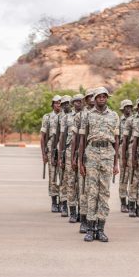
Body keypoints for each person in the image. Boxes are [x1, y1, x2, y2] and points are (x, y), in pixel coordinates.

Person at [79, 87, 119, 242]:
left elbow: (117, 140)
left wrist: (116, 163)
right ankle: (90, 228)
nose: (102, 99)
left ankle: (100, 229)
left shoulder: (114, 116)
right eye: (99, 97)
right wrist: (81, 161)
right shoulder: (87, 115)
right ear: (94, 99)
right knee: (91, 192)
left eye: (104, 96)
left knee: (104, 193)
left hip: (108, 154)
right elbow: (82, 139)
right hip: (92, 153)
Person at [72, 89, 95, 233]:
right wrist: (75, 158)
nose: (93, 99)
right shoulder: (81, 116)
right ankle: (84, 219)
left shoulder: (109, 115)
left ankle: (96, 221)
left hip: (101, 157)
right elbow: (76, 139)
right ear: (86, 99)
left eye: (95, 96)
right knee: (84, 190)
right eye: (90, 97)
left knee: (97, 191)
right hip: (85, 156)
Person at [59, 94, 83, 223]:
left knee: (82, 183)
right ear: (73, 103)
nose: (78, 103)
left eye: (80, 101)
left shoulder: (87, 116)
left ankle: (81, 211)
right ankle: (72, 210)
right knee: (71, 181)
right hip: (69, 150)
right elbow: (62, 137)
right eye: (76, 101)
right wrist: (61, 154)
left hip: (83, 152)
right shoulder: (67, 118)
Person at [122, 98, 139, 217]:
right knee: (133, 179)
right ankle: (131, 205)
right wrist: (125, 156)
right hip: (133, 150)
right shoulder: (131, 120)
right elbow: (125, 139)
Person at [40, 95, 63, 212]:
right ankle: (54, 201)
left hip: (63, 149)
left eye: (60, 103)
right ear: (52, 104)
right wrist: (44, 154)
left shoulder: (66, 116)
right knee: (53, 176)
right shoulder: (47, 117)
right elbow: (43, 137)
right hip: (51, 148)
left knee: (64, 176)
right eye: (56, 103)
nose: (58, 105)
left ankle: (63, 201)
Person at [57, 95, 72, 217]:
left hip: (73, 150)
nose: (66, 105)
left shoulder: (76, 116)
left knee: (72, 180)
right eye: (64, 104)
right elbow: (60, 137)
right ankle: (63, 203)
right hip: (64, 149)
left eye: (68, 103)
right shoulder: (62, 118)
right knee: (64, 178)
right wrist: (59, 154)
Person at [118, 99, 133, 213]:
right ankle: (123, 203)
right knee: (124, 177)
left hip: (133, 151)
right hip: (122, 150)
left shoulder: (135, 120)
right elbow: (116, 138)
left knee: (133, 177)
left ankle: (133, 202)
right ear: (122, 109)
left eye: (130, 106)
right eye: (126, 107)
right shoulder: (119, 121)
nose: (128, 108)